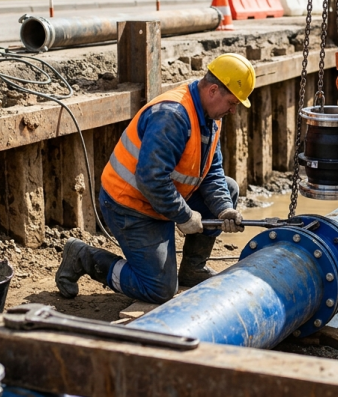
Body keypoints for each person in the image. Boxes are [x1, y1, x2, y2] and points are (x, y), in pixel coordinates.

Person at [55, 53, 255, 303]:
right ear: (213, 90)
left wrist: (224, 209)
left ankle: (192, 270)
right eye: (233, 102)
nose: (234, 110)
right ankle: (83, 257)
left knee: (229, 188)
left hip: (161, 199)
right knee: (159, 289)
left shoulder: (210, 116)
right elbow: (152, 180)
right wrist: (184, 216)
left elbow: (211, 171)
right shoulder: (173, 116)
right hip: (130, 205)